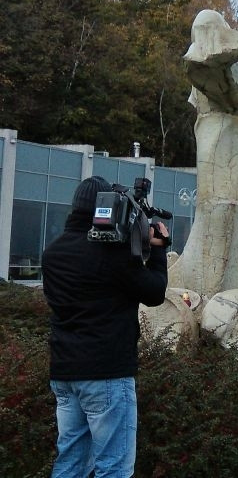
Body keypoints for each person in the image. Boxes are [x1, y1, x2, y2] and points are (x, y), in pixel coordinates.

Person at [42, 176, 169, 477]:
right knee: (113, 467)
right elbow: (154, 293)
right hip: (107, 373)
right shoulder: (111, 255)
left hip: (64, 373)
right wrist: (159, 250)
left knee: (70, 462)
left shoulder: (53, 254)